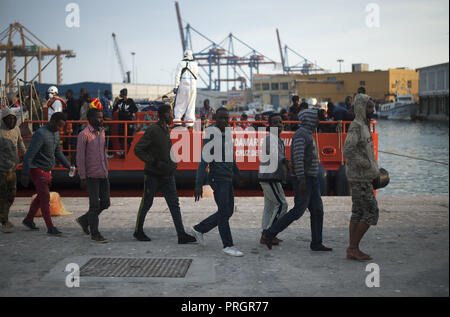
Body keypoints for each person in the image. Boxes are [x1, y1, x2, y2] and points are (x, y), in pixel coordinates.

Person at [261, 108, 332, 252]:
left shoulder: (307, 135)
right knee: (298, 211)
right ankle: (269, 233)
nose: (319, 121)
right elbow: (298, 159)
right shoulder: (301, 135)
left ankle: (317, 242)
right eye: (316, 118)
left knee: (318, 210)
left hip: (312, 179)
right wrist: (301, 180)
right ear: (310, 119)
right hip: (305, 179)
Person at [133, 104, 196, 244]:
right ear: (164, 115)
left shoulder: (166, 129)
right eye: (170, 113)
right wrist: (154, 162)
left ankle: (181, 235)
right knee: (147, 203)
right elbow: (138, 149)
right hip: (152, 174)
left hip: (167, 174)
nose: (173, 116)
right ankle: (138, 231)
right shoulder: (153, 130)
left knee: (174, 204)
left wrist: (172, 165)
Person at [189, 107, 244, 257]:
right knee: (224, 212)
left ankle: (199, 229)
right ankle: (228, 245)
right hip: (217, 178)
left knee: (227, 211)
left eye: (226, 118)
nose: (224, 121)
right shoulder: (211, 134)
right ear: (215, 118)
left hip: (227, 178)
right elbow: (203, 161)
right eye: (221, 118)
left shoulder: (227, 133)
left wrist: (237, 174)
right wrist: (198, 184)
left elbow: (231, 157)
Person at [21, 112, 71, 236]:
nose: (60, 129)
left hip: (47, 169)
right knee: (45, 197)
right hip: (37, 169)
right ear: (52, 121)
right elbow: (29, 154)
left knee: (40, 196)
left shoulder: (55, 133)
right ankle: (50, 227)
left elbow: (58, 152)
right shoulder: (40, 134)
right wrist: (25, 173)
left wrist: (69, 166)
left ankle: (28, 219)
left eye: (62, 127)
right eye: (59, 126)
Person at [343, 94, 379, 261]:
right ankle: (353, 247)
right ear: (360, 108)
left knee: (358, 212)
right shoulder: (356, 127)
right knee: (371, 211)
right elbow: (348, 150)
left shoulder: (363, 126)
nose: (372, 110)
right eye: (369, 107)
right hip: (360, 178)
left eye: (372, 107)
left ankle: (353, 249)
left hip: (363, 176)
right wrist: (366, 164)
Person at [75, 108, 110, 243]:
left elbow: (103, 153)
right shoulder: (84, 134)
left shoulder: (102, 133)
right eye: (97, 117)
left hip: (103, 173)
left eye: (101, 117)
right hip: (91, 175)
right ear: (89, 119)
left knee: (106, 202)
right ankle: (95, 234)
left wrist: (106, 170)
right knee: (94, 205)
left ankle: (84, 220)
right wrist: (82, 176)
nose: (100, 120)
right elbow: (80, 157)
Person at [258, 113, 289, 246]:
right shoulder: (271, 138)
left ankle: (265, 233)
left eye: (280, 122)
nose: (279, 125)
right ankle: (269, 233)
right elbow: (276, 155)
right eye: (275, 123)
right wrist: (288, 163)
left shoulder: (276, 138)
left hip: (268, 176)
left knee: (269, 207)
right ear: (270, 126)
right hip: (271, 177)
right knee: (282, 205)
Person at [0, 108, 26, 233]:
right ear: (3, 119)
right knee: (2, 195)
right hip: (1, 170)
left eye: (13, 118)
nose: (11, 120)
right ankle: (4, 220)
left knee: (12, 195)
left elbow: (20, 143)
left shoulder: (16, 129)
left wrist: (25, 155)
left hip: (12, 168)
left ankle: (4, 216)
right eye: (8, 119)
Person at [173, 50, 198, 128]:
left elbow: (177, 76)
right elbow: (196, 75)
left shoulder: (180, 63)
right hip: (193, 85)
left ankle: (177, 121)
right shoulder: (195, 64)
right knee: (191, 104)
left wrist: (176, 86)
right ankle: (190, 123)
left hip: (184, 84)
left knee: (180, 102)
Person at [113, 88, 138, 155]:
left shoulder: (130, 101)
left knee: (129, 137)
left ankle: (128, 152)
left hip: (128, 122)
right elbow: (114, 109)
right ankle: (123, 152)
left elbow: (135, 109)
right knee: (121, 137)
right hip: (121, 122)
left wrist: (129, 113)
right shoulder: (119, 101)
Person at [100, 90, 114, 159]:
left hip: (108, 120)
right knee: (105, 137)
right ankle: (106, 153)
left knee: (107, 137)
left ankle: (107, 152)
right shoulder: (103, 100)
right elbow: (102, 110)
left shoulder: (107, 100)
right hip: (105, 121)